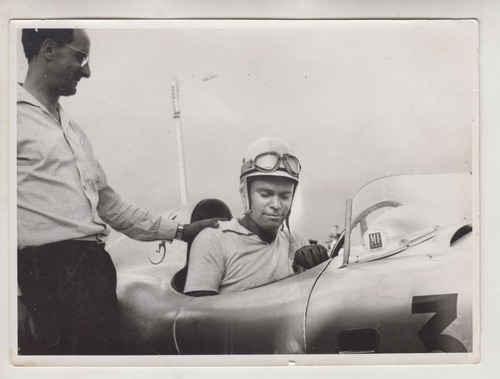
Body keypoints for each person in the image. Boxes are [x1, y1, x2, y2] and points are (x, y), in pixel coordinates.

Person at [17, 28, 219, 355]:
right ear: (49, 49)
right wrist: (12, 296)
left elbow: (112, 208)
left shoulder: (74, 130)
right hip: (42, 276)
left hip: (93, 270)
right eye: (80, 57)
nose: (87, 70)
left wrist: (182, 231)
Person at [184, 137, 329, 296]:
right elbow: (195, 317)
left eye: (285, 196)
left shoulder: (296, 241)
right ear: (245, 193)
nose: (276, 205)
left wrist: (320, 272)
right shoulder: (214, 240)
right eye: (265, 194)